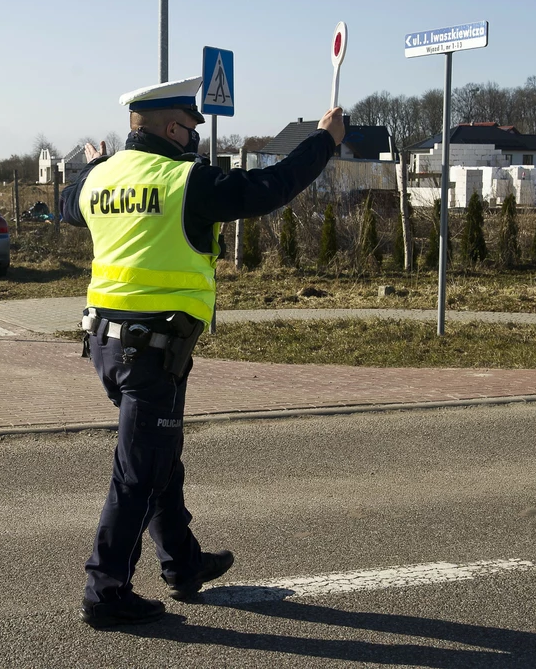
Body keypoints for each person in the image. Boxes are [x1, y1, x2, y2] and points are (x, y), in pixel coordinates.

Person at [60, 75, 345, 628]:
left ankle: (182, 565)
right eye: (192, 128)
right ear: (172, 128)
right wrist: (323, 141)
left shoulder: (100, 178)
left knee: (158, 457)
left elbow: (69, 206)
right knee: (138, 472)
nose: (196, 137)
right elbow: (271, 187)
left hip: (107, 345)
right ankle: (105, 591)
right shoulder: (184, 180)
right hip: (153, 348)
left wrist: (96, 165)